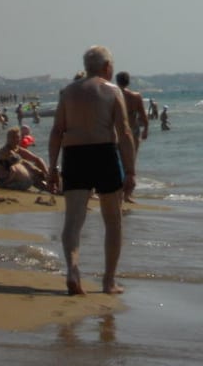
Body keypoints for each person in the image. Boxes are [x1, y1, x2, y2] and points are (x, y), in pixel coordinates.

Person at [48, 45, 136, 296]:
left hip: (75, 156)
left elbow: (57, 131)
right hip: (104, 154)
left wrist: (52, 166)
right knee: (113, 221)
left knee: (73, 220)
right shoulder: (112, 91)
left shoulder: (68, 92)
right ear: (107, 67)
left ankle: (73, 269)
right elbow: (125, 132)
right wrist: (130, 170)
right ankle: (108, 281)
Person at [116, 71, 149, 202]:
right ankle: (127, 195)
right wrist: (146, 129)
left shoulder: (113, 94)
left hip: (117, 131)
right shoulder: (135, 97)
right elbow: (143, 115)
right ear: (128, 81)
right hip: (132, 131)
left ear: (117, 81)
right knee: (131, 163)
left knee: (118, 162)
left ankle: (119, 192)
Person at [0, 127, 50, 191]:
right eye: (13, 137)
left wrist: (46, 172)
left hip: (17, 181)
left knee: (36, 171)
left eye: (17, 137)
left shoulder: (17, 149)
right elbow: (19, 162)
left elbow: (37, 159)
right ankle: (49, 187)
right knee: (29, 169)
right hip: (5, 184)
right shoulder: (4, 151)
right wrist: (38, 171)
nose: (15, 139)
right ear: (8, 139)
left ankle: (49, 185)